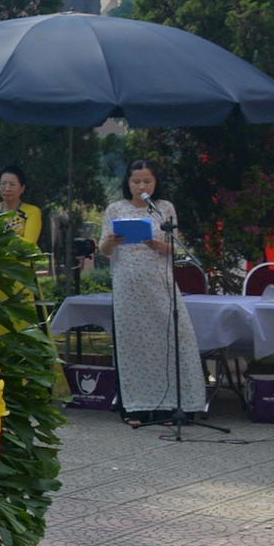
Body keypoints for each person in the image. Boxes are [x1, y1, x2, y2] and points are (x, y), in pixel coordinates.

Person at [100, 159, 203, 421]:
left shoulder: (164, 209)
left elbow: (174, 248)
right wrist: (112, 242)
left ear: (156, 183)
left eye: (147, 181)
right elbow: (104, 250)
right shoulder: (115, 209)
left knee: (172, 340)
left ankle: (177, 404)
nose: (141, 186)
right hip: (128, 286)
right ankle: (135, 406)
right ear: (128, 182)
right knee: (133, 345)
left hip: (160, 284)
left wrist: (157, 245)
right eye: (136, 181)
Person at [0, 167, 43, 248]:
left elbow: (30, 244)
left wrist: (1, 238)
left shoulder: (32, 212)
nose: (7, 189)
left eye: (12, 184)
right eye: (3, 183)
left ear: (22, 188)